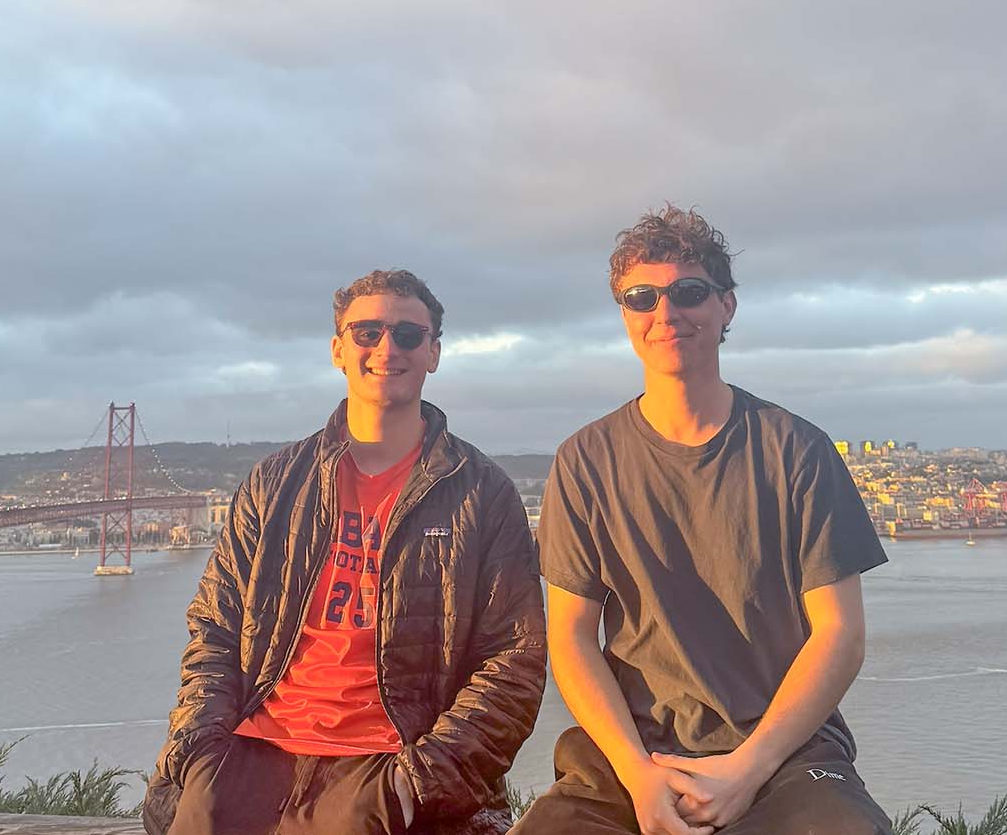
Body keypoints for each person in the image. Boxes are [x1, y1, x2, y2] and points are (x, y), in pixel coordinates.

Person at [512, 208, 892, 835]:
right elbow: (572, 639)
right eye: (642, 298)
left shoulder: (795, 449)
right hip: (632, 753)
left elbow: (839, 633)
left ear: (727, 307)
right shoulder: (584, 460)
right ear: (625, 315)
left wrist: (747, 768)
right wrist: (638, 776)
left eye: (688, 292)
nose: (666, 313)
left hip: (785, 751)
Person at [143, 269, 546, 835]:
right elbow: (214, 629)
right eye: (367, 333)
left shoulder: (482, 492)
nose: (387, 347)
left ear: (434, 353)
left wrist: (417, 784)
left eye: (408, 335)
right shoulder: (274, 482)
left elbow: (515, 661)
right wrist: (201, 752)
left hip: (388, 764)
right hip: (249, 753)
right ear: (338, 349)